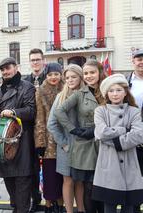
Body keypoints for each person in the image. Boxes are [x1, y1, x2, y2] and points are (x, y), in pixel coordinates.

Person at [55, 59, 106, 213]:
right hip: (87, 145)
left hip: (106, 142)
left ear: (100, 72)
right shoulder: (80, 94)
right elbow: (59, 112)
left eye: (92, 72)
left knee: (104, 184)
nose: (89, 76)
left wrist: (97, 129)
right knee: (88, 185)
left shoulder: (108, 89)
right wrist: (73, 130)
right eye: (86, 73)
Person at [93, 73, 143, 213]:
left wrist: (116, 140)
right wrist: (124, 130)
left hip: (129, 163)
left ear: (125, 92)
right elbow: (101, 132)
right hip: (109, 164)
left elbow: (138, 135)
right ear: (106, 94)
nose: (115, 94)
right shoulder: (100, 111)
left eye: (119, 90)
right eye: (111, 90)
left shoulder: (134, 111)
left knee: (129, 206)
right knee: (109, 206)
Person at [0, 57, 36, 213]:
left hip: (22, 142)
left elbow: (31, 111)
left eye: (8, 68)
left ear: (16, 67)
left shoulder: (27, 87)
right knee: (10, 182)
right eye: (3, 70)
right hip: (4, 144)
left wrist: (13, 113)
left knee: (22, 183)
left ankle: (22, 208)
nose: (5, 72)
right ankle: (17, 207)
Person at [47, 64, 85, 213]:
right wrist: (63, 143)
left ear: (80, 77)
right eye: (67, 77)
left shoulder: (87, 95)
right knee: (68, 181)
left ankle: (81, 210)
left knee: (80, 181)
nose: (70, 80)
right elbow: (51, 124)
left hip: (83, 146)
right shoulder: (60, 97)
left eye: (73, 77)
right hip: (66, 146)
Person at [35, 62, 64, 213]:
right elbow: (40, 117)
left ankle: (60, 204)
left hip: (65, 139)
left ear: (61, 74)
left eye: (56, 74)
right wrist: (40, 142)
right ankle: (48, 205)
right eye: (50, 74)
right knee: (49, 175)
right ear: (46, 76)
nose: (54, 77)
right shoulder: (41, 91)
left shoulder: (67, 88)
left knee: (62, 176)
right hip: (48, 140)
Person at [25, 48, 46, 212]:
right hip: (30, 131)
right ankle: (35, 199)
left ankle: (52, 201)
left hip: (47, 130)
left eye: (38, 59)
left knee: (49, 167)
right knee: (32, 169)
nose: (35, 62)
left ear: (43, 61)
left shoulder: (51, 78)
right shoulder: (26, 82)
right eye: (33, 60)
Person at [127, 49, 143, 213]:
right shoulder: (125, 81)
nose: (141, 62)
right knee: (134, 174)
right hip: (132, 136)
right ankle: (135, 206)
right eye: (138, 59)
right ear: (133, 61)